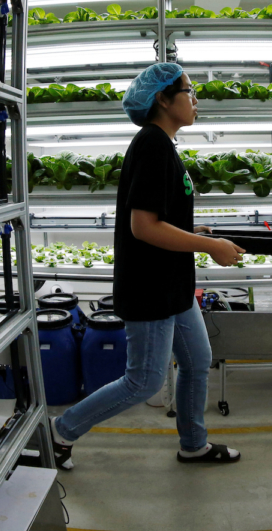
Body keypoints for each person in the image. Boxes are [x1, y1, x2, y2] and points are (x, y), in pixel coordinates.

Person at [49, 62, 247, 467]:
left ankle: (193, 443)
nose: (196, 100)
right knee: (143, 381)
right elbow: (143, 227)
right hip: (152, 288)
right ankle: (58, 433)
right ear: (162, 98)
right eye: (189, 91)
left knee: (196, 361)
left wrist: (195, 230)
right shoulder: (153, 144)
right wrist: (209, 248)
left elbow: (159, 215)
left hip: (173, 285)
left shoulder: (163, 144)